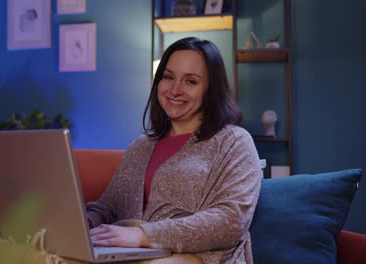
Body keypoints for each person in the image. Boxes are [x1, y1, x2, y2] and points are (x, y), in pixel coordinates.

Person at [87, 37, 262, 263]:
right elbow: (107, 208)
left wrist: (142, 235)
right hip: (129, 253)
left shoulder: (234, 142)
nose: (175, 90)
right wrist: (82, 224)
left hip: (201, 257)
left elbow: (231, 220)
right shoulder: (140, 146)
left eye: (191, 81)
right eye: (168, 77)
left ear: (211, 89)